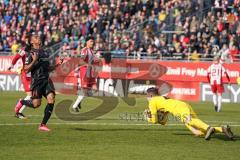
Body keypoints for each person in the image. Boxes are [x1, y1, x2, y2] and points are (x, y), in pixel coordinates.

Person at [144, 87, 234, 140]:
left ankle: (209, 127)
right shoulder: (161, 99)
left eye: (147, 96)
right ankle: (222, 129)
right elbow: (163, 122)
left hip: (178, 108)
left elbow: (154, 120)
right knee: (199, 132)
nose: (147, 98)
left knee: (191, 122)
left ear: (151, 96)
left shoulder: (152, 101)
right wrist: (155, 116)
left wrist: (147, 117)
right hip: (183, 105)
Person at [14, 34, 63, 131]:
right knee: (36, 104)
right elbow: (26, 69)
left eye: (38, 37)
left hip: (46, 80)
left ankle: (43, 125)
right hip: (37, 81)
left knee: (51, 98)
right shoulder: (30, 53)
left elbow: (48, 68)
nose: (38, 38)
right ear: (32, 42)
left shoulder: (45, 52)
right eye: (35, 37)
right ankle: (22, 101)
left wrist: (57, 65)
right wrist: (35, 60)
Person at [72, 36, 100, 112]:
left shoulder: (91, 51)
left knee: (94, 90)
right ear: (87, 42)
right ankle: (75, 106)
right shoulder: (84, 50)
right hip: (84, 72)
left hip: (90, 72)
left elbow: (93, 60)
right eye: (91, 41)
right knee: (85, 91)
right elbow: (81, 60)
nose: (92, 43)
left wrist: (96, 61)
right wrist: (87, 64)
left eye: (92, 41)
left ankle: (79, 101)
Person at [8, 43, 32, 119]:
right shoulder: (23, 50)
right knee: (30, 95)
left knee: (33, 96)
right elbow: (16, 57)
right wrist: (11, 66)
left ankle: (20, 107)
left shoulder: (36, 51)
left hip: (33, 75)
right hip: (26, 75)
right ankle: (19, 111)